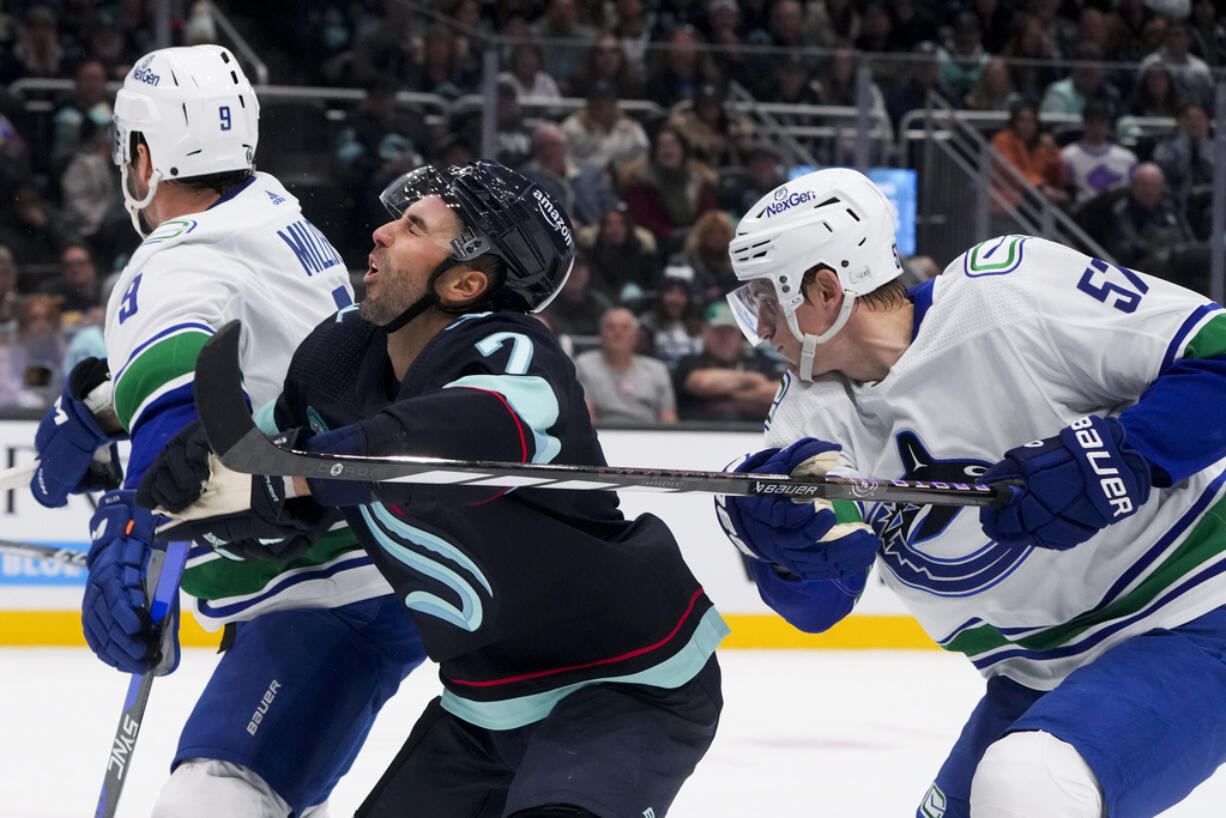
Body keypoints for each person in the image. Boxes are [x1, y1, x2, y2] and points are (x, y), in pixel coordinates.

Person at [136, 159, 726, 817]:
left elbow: (451, 435)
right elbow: (265, 464)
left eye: (415, 226)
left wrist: (295, 470)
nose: (383, 232)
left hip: (628, 687)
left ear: (467, 282)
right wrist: (199, 478)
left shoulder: (517, 355)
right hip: (484, 708)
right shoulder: (336, 357)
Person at [714, 165, 1226, 817]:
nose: (759, 326)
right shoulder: (802, 423)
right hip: (1033, 677)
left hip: (1196, 613)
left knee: (1028, 787)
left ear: (824, 288)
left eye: (765, 297)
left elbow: (1218, 355)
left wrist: (1121, 454)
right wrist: (784, 552)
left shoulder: (1006, 291)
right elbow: (820, 606)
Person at [26, 45, 427, 818]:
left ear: (141, 155)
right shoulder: (276, 215)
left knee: (212, 801)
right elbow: (247, 360)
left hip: (324, 593)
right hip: (362, 565)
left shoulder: (172, 260)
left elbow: (180, 416)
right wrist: (101, 408)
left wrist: (136, 519)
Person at [674, 300, 783, 423]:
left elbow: (777, 392)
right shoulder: (690, 362)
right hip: (698, 435)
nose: (724, 338)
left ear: (740, 334)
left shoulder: (759, 363)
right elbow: (703, 383)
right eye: (718, 331)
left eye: (730, 331)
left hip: (753, 436)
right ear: (705, 331)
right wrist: (754, 380)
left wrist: (725, 394)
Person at [576, 306, 678, 425]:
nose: (618, 333)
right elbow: (585, 417)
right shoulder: (584, 366)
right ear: (601, 335)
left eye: (625, 328)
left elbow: (668, 417)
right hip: (603, 435)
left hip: (650, 437)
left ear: (636, 336)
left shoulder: (657, 370)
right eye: (611, 327)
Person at [1060, 100, 1137, 204]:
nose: (1096, 128)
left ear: (1108, 124)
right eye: (1091, 123)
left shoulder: (1127, 158)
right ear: (1083, 124)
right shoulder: (1068, 156)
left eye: (1100, 122)